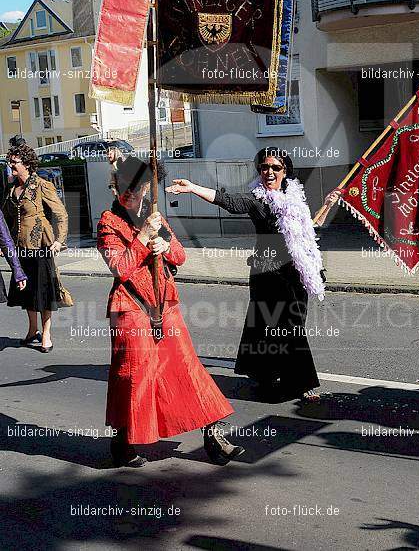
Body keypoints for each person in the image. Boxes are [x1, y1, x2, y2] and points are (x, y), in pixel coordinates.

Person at [97, 156, 245, 467]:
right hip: (131, 308)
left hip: (164, 306)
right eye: (126, 188)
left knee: (188, 369)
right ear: (116, 187)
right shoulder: (107, 222)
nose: (133, 194)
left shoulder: (155, 216)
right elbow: (120, 267)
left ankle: (214, 434)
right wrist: (141, 238)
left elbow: (179, 255)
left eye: (139, 188)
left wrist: (165, 247)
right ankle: (123, 439)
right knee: (136, 377)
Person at [167, 147, 333, 404]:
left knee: (291, 325)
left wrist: (327, 207)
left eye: (275, 168)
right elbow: (230, 202)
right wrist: (193, 188)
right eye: (264, 167)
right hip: (268, 273)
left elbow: (306, 231)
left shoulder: (294, 197)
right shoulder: (257, 199)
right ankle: (297, 382)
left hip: (295, 274)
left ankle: (268, 373)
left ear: (285, 171)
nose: (269, 172)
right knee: (274, 325)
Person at [3, 143, 68, 353]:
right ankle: (32, 330)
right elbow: (5, 218)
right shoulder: (11, 188)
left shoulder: (42, 185)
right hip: (18, 247)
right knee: (27, 292)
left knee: (43, 291)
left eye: (14, 162)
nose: (10, 165)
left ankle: (46, 333)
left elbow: (60, 213)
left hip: (40, 245)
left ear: (27, 164)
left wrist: (59, 240)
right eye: (9, 161)